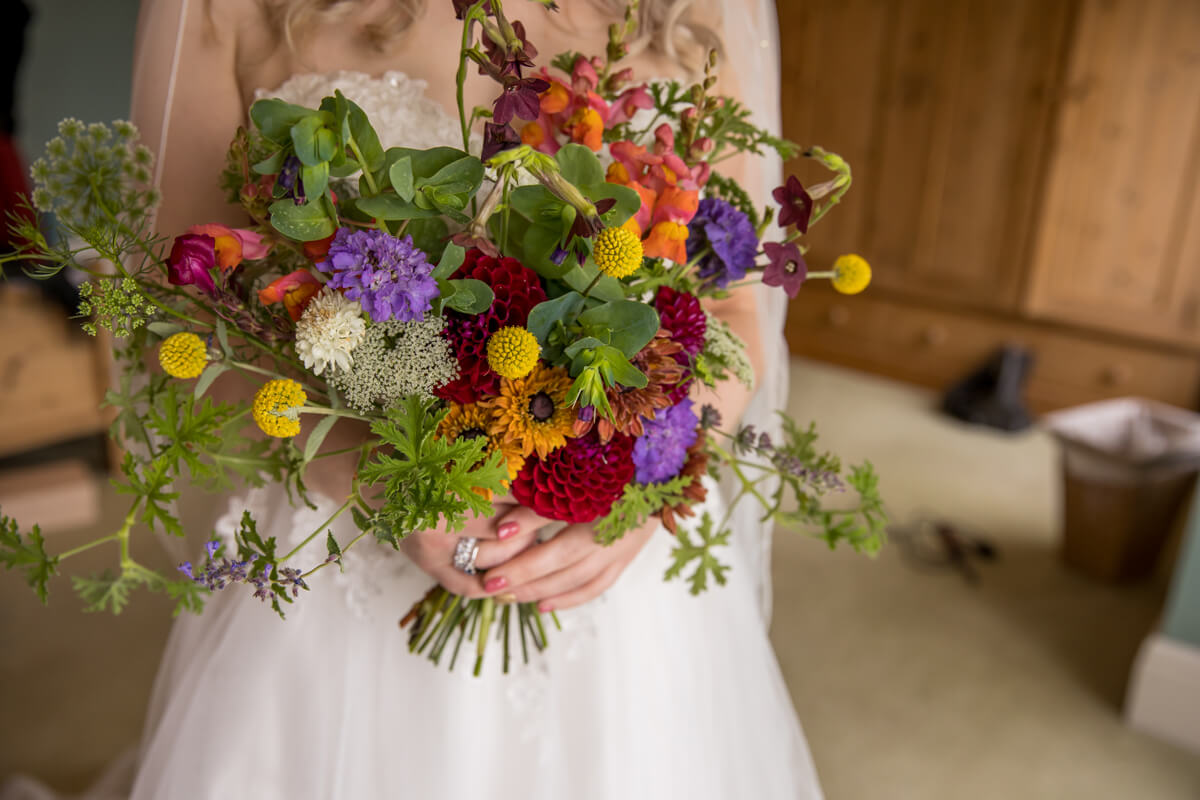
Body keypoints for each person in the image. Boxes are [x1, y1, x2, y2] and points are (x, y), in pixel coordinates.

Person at [7, 1, 822, 797]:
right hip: (340, 521)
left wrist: (640, 488)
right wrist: (373, 476)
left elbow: (732, 310)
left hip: (608, 538)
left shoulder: (692, 14)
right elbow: (187, 306)